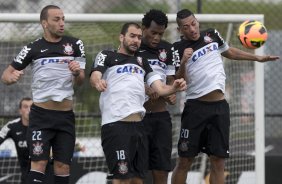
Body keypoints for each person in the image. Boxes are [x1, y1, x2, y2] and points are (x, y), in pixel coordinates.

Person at [171, 9, 280, 184]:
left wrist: (258, 58)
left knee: (218, 161)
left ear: (197, 21)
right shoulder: (177, 49)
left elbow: (229, 52)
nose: (192, 29)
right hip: (195, 109)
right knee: (184, 160)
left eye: (193, 23)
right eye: (186, 27)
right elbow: (180, 80)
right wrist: (183, 61)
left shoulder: (211, 34)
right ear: (179, 30)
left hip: (219, 109)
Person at [90, 22, 186, 184]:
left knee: (137, 180)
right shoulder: (107, 55)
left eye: (139, 37)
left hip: (139, 127)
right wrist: (98, 81)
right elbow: (95, 75)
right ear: (122, 37)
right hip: (116, 126)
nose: (136, 40)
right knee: (122, 179)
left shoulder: (142, 62)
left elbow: (160, 89)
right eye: (132, 36)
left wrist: (174, 88)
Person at [1, 5, 86, 184]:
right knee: (39, 163)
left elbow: (81, 81)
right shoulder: (32, 48)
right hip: (41, 116)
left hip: (65, 117)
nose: (62, 23)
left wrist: (77, 72)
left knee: (63, 167)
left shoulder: (76, 45)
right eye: (56, 19)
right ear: (44, 23)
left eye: (63, 19)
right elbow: (6, 75)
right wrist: (12, 78)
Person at [138, 9, 176, 184]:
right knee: (136, 171)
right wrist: (144, 87)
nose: (156, 38)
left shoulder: (167, 49)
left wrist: (170, 93)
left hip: (161, 118)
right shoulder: (133, 47)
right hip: (138, 118)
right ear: (143, 28)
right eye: (153, 32)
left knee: (161, 169)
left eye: (160, 34)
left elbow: (170, 80)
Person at [0, 97, 32, 184]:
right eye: (25, 107)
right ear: (20, 110)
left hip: (46, 170)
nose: (29, 110)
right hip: (26, 173)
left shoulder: (43, 126)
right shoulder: (12, 126)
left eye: (32, 107)